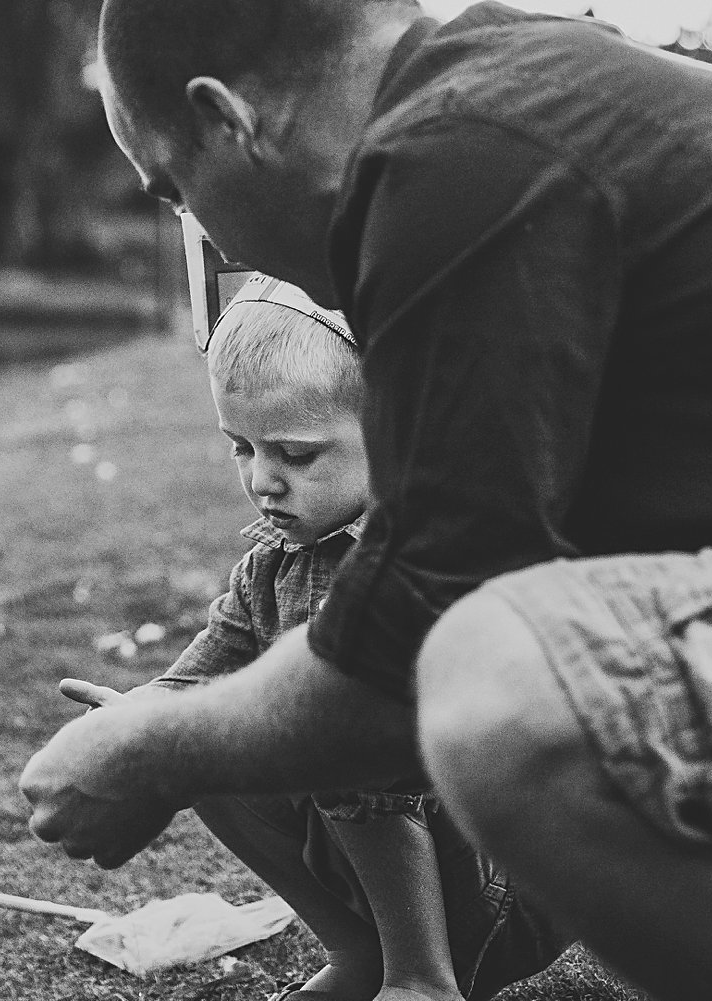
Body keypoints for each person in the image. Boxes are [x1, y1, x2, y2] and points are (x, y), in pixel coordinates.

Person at [19, 2, 712, 1000]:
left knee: (497, 678)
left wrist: (145, 745)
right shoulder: (516, 93)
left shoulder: (456, 159)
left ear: (227, 121)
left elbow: (409, 640)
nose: (191, 223)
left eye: (173, 190)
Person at [64, 272, 553, 1000]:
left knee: (329, 711)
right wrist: (139, 722)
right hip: (403, 880)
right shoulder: (270, 567)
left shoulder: (430, 556)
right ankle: (362, 954)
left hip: (507, 879)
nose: (263, 480)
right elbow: (200, 681)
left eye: (295, 455)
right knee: (198, 737)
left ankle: (422, 978)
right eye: (241, 448)